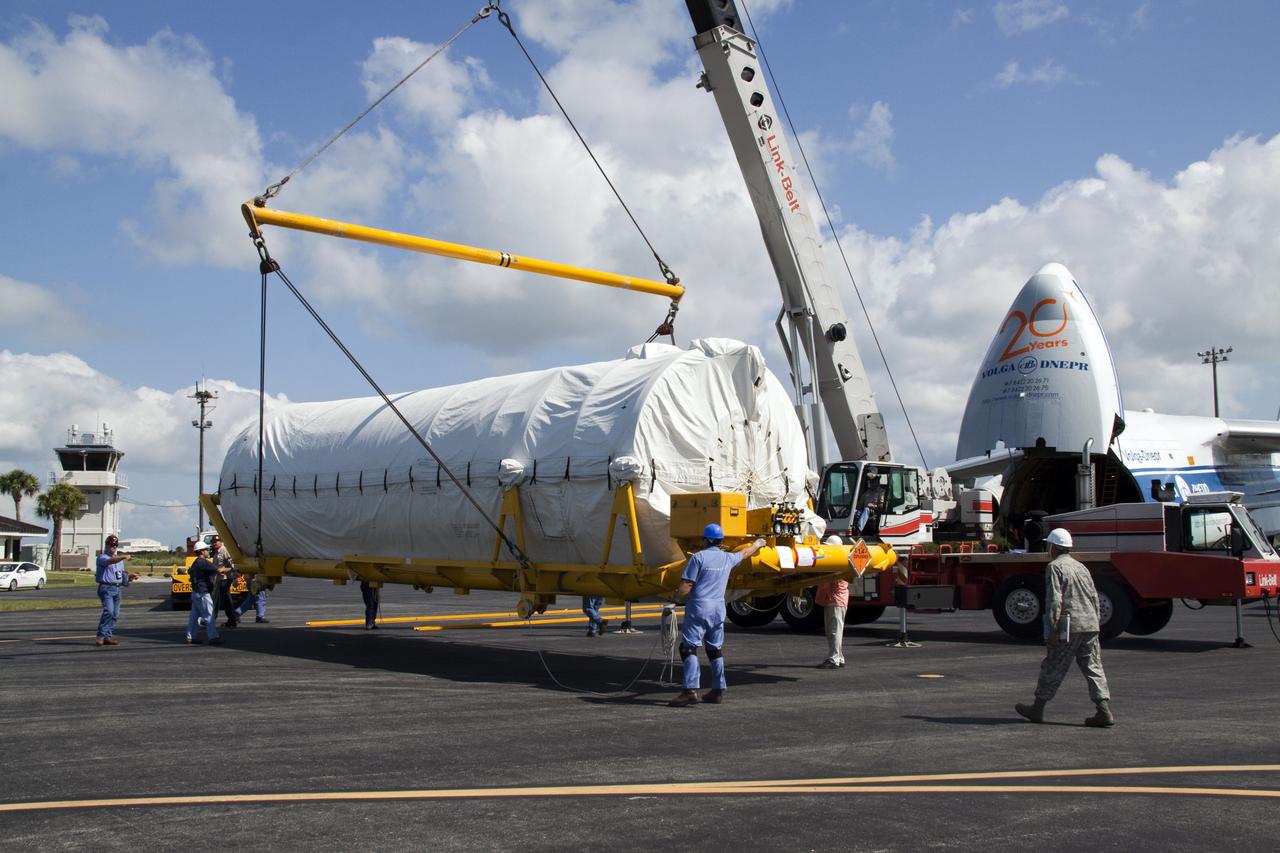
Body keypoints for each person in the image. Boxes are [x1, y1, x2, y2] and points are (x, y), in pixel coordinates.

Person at [1015, 528, 1115, 727]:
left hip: (1070, 624)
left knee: (1053, 665)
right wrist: (1095, 623)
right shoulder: (1081, 567)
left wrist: (1052, 629)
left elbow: (1054, 600)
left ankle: (1038, 708)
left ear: (1053, 546)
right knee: (1093, 668)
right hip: (1090, 624)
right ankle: (1103, 710)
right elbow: (1094, 596)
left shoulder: (1055, 567)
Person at [668, 524, 764, 707]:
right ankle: (718, 689)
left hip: (699, 607)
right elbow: (745, 553)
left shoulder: (698, 558)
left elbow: (686, 585)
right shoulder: (727, 558)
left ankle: (689, 691)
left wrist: (675, 598)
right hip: (718, 608)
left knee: (688, 648)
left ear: (706, 540)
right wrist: (758, 543)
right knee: (714, 649)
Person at [94, 534, 138, 647]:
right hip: (106, 587)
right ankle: (100, 636)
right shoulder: (102, 557)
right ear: (107, 545)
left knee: (115, 614)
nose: (114, 547)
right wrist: (123, 557)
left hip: (117, 588)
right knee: (108, 611)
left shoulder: (119, 561)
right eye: (112, 544)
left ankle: (107, 636)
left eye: (116, 545)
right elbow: (110, 561)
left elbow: (120, 575)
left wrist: (129, 577)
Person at [815, 535, 849, 669]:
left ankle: (834, 659)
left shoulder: (837, 563)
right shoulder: (840, 561)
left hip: (836, 601)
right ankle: (839, 657)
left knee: (834, 631)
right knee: (833, 630)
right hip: (834, 600)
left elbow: (826, 581)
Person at [185, 541, 226, 645]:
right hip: (203, 593)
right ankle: (213, 637)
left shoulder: (195, 563)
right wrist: (233, 569)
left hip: (195, 592)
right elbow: (219, 570)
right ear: (202, 551)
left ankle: (191, 637)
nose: (208, 551)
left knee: (194, 617)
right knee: (209, 615)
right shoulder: (203, 562)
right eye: (207, 550)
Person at [211, 535, 242, 628]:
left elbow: (233, 566)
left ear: (221, 541)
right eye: (213, 541)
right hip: (219, 579)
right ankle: (232, 619)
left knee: (220, 600)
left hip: (225, 579)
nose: (215, 543)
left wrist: (224, 570)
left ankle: (215, 618)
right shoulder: (216, 552)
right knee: (224, 600)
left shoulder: (224, 550)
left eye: (217, 541)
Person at [855, 470, 885, 535]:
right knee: (855, 512)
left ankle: (859, 530)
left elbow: (883, 507)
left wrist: (873, 506)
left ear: (877, 482)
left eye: (873, 482)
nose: (871, 484)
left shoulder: (881, 492)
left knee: (867, 509)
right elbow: (860, 505)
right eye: (870, 482)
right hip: (863, 512)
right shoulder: (866, 493)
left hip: (877, 513)